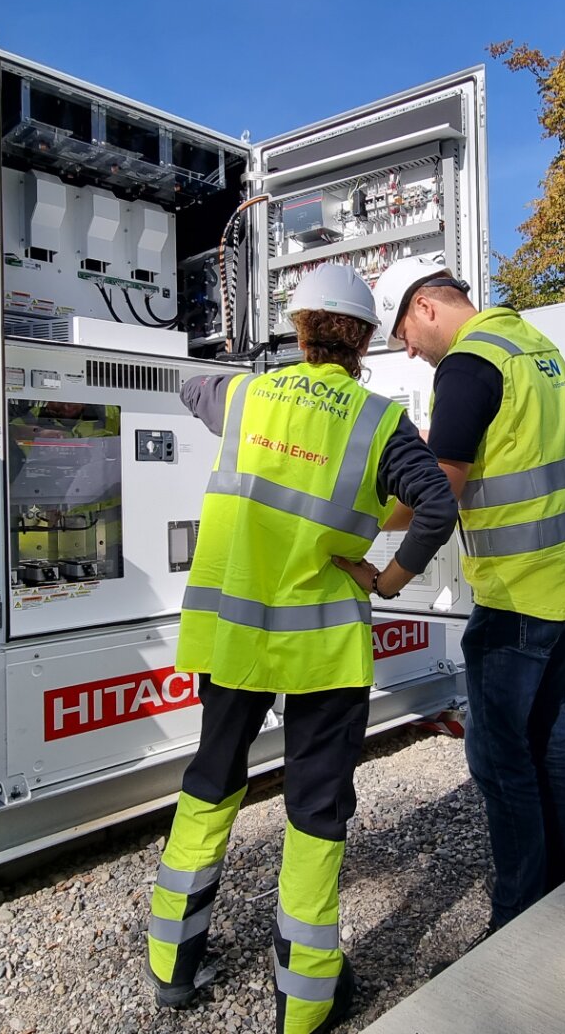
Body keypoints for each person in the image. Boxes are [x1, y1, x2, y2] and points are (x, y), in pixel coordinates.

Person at [146, 263, 458, 1034]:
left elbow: (191, 390)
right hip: (322, 650)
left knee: (211, 779)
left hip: (236, 635)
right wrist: (387, 579)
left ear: (302, 328)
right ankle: (305, 1003)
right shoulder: (379, 421)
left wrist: (251, 369)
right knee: (316, 808)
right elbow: (437, 504)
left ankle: (172, 966)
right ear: (363, 341)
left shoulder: (246, 396)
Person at [363, 253, 565, 933]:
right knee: (548, 736)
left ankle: (517, 916)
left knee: (500, 758)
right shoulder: (531, 343)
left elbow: (439, 496)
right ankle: (557, 881)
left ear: (425, 307)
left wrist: (358, 520)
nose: (407, 352)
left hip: (518, 591)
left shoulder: (468, 368)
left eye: (404, 336)